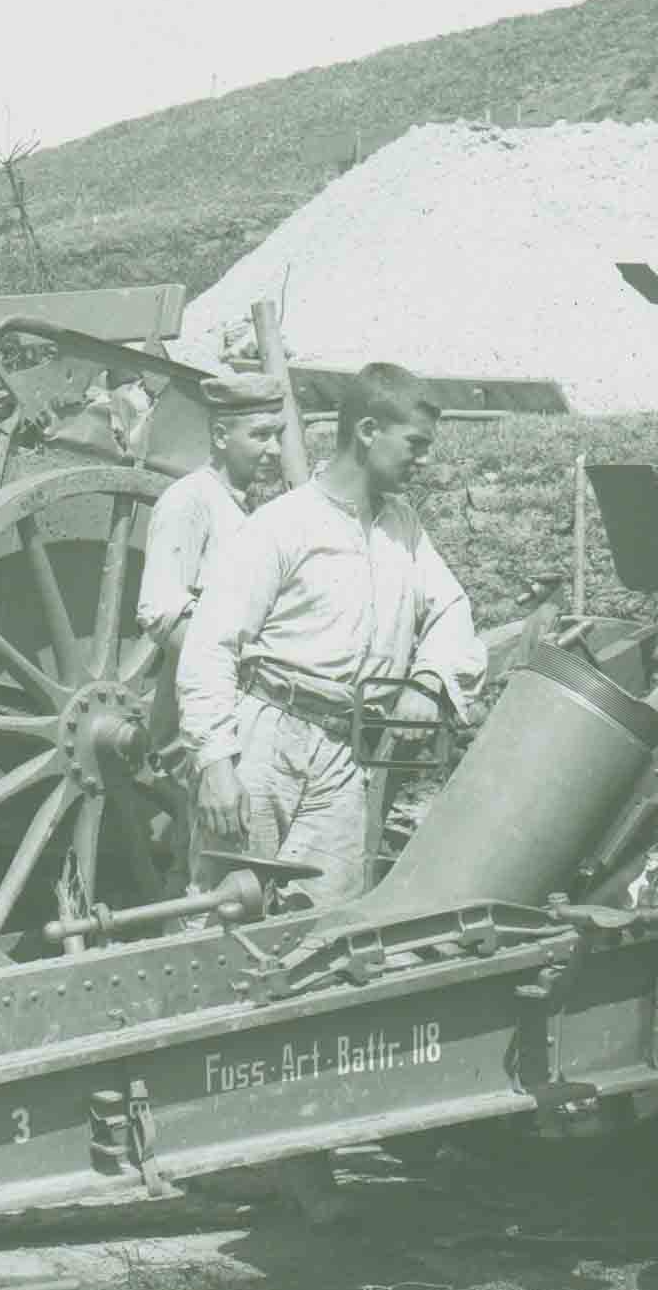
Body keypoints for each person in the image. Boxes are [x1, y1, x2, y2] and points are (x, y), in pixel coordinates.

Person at [180, 361, 486, 912]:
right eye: (415, 443)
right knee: (222, 916)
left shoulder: (403, 527)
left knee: (327, 924)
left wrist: (428, 679)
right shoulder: (281, 524)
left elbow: (451, 608)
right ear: (367, 431)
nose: (424, 459)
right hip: (264, 746)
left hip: (346, 755)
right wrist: (216, 763)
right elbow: (211, 646)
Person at [134, 375, 291, 878]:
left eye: (278, 435)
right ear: (221, 435)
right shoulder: (190, 501)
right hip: (209, 709)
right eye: (259, 435)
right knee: (220, 860)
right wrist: (231, 671)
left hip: (261, 712)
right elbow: (160, 611)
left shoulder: (261, 506)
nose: (274, 449)